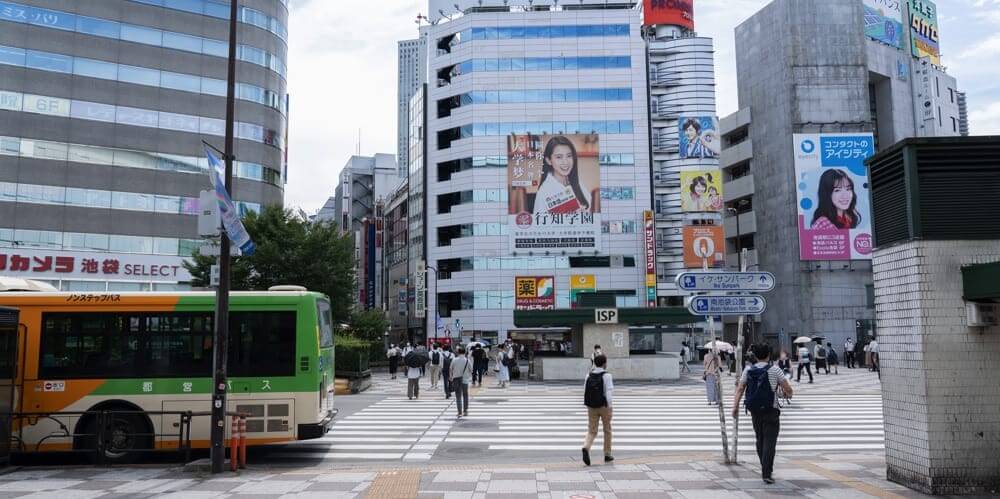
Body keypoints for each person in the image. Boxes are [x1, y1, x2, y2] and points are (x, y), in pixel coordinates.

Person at [732, 344, 793, 484]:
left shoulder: (748, 370)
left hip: (755, 410)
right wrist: (786, 394)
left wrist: (735, 407)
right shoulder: (775, 370)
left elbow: (740, 389)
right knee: (770, 442)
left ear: (755, 356)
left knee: (760, 439)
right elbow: (788, 390)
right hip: (771, 410)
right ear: (768, 355)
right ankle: (766, 472)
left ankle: (764, 466)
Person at [532, 136, 593, 215]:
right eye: (559, 157)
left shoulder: (577, 183)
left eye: (569, 156)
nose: (565, 162)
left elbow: (590, 209)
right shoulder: (544, 192)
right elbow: (539, 224)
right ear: (549, 160)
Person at [581, 353, 613, 466]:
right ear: (604, 364)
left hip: (591, 407)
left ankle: (586, 447)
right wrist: (610, 407)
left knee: (592, 430)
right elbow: (608, 393)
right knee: (607, 430)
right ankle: (607, 454)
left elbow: (585, 390)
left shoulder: (588, 375)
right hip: (604, 406)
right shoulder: (607, 376)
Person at [450, 346, 473, 417]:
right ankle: (465, 411)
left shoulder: (454, 360)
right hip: (465, 380)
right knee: (465, 395)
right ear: (465, 352)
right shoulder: (467, 360)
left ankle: (459, 412)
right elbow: (471, 370)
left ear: (458, 352)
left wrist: (451, 377)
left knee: (458, 396)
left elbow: (450, 369)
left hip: (456, 379)